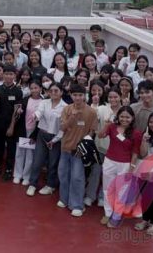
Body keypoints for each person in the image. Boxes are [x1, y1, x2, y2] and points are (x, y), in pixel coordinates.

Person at [57, 84, 98, 217]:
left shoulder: (91, 112)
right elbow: (62, 128)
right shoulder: (67, 109)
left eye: (80, 95)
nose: (78, 98)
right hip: (65, 147)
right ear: (71, 95)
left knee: (77, 177)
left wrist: (85, 144)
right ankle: (64, 198)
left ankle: (77, 205)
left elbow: (92, 131)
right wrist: (72, 118)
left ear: (84, 96)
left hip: (80, 150)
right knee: (63, 174)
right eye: (75, 95)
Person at [97, 106, 141, 227]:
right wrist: (105, 125)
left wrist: (131, 168)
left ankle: (116, 215)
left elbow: (135, 152)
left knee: (121, 191)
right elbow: (100, 136)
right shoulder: (112, 127)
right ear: (118, 117)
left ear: (132, 118)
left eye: (127, 117)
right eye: (122, 116)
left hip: (125, 165)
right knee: (107, 189)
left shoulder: (136, 133)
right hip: (109, 162)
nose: (124, 119)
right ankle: (108, 213)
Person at [26, 82, 66, 197]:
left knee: (53, 163)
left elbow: (63, 128)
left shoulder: (65, 107)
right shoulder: (44, 102)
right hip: (42, 135)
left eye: (56, 91)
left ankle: (50, 185)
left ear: (61, 92)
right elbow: (39, 112)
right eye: (51, 91)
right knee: (37, 161)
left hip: (55, 138)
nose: (53, 93)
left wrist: (54, 140)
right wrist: (35, 116)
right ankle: (32, 184)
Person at [0, 65, 23, 181]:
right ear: (2, 75)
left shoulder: (18, 91)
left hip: (11, 124)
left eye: (11, 74)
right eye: (6, 74)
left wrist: (12, 126)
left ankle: (8, 170)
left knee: (11, 148)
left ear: (15, 76)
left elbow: (17, 110)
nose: (8, 76)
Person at [12, 80, 43, 185]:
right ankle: (17, 174)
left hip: (34, 131)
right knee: (19, 153)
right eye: (32, 88)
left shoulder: (44, 102)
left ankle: (26, 176)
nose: (34, 90)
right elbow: (17, 114)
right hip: (22, 129)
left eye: (36, 88)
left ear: (40, 88)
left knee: (30, 155)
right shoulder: (25, 100)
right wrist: (18, 112)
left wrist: (35, 133)